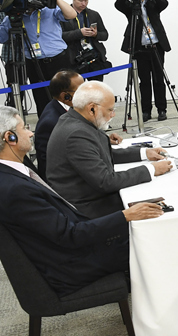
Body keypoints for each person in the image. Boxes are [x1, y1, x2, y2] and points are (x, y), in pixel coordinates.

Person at [0, 106, 164, 296]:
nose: (30, 133)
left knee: (143, 229)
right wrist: (125, 216)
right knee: (154, 239)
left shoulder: (12, 173)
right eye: (24, 128)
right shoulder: (15, 189)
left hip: (70, 247)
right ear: (10, 137)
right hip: (72, 266)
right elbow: (70, 235)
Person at [46, 81, 172, 220]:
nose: (113, 115)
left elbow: (101, 153)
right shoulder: (76, 134)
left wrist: (144, 153)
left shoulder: (76, 120)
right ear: (92, 108)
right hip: (89, 210)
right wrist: (151, 170)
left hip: (93, 198)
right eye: (110, 110)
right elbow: (105, 181)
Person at [0, 0, 78, 117]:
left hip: (58, 60)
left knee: (67, 97)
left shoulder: (49, 9)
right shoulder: (15, 15)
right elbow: (2, 37)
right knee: (41, 99)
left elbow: (72, 14)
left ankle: (71, 123)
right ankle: (46, 125)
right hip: (34, 63)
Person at [115, 0, 171, 121]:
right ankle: (146, 111)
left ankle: (161, 109)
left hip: (156, 46)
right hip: (139, 48)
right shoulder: (130, 7)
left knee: (158, 79)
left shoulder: (153, 4)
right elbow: (118, 4)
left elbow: (164, 3)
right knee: (144, 81)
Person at [34, 70, 84, 179]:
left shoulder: (69, 108)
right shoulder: (50, 123)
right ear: (65, 96)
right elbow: (50, 164)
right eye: (81, 90)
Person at [61, 0, 110, 81]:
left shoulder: (93, 14)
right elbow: (60, 36)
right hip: (73, 60)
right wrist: (79, 33)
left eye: (86, 0)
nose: (83, 4)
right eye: (80, 1)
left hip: (93, 57)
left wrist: (96, 34)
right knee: (76, 89)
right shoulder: (62, 15)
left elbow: (105, 35)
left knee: (96, 89)